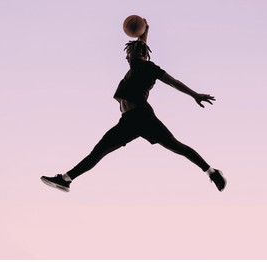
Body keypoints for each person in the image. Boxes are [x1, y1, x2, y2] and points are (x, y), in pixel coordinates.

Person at [41, 18, 226, 192]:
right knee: (98, 151)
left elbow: (173, 82)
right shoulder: (132, 70)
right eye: (130, 51)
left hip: (143, 117)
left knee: (175, 146)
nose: (132, 52)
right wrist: (146, 29)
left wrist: (194, 94)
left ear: (143, 55)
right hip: (128, 121)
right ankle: (66, 179)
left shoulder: (149, 67)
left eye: (137, 50)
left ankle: (212, 172)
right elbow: (141, 44)